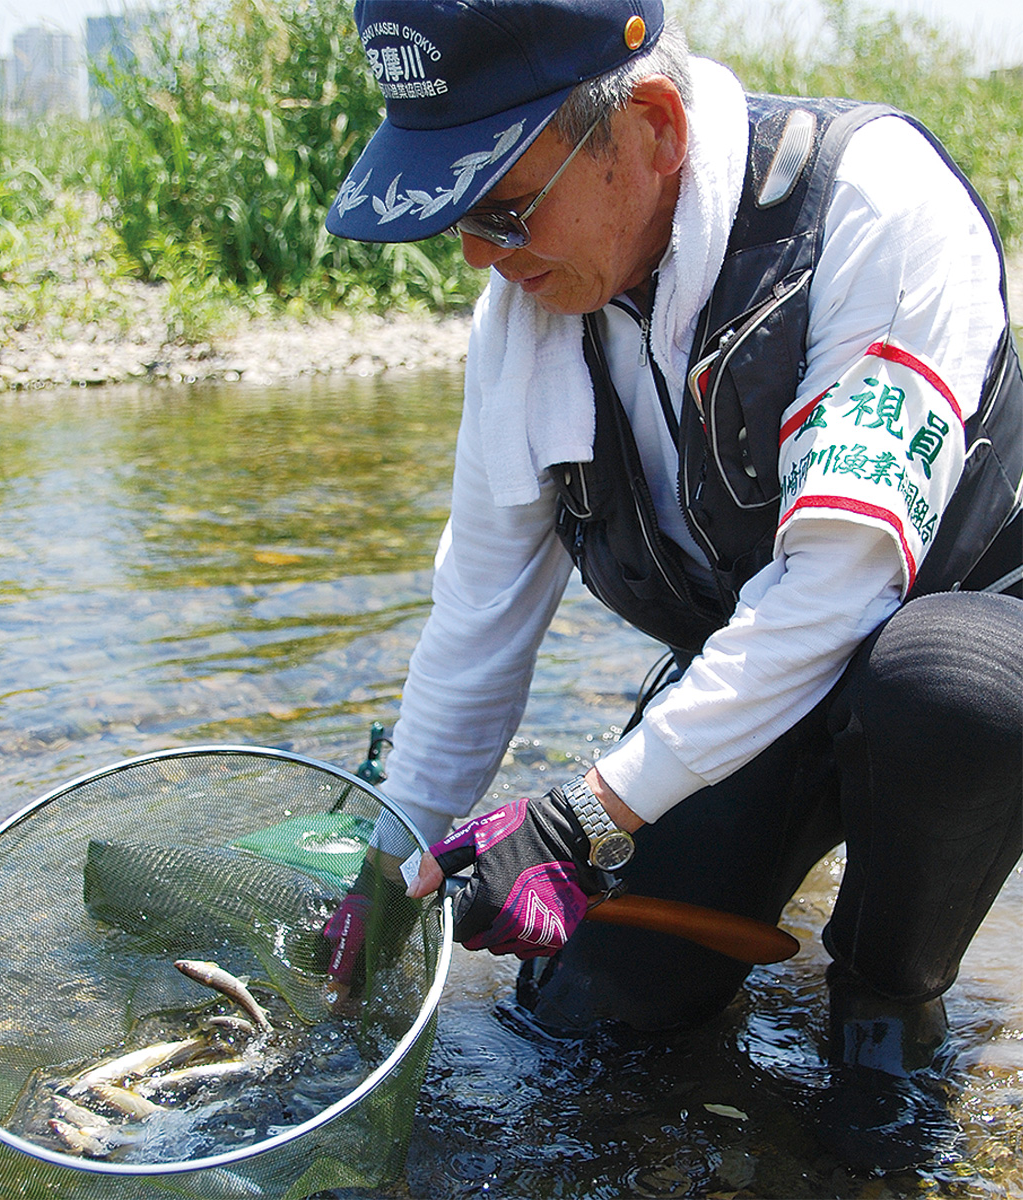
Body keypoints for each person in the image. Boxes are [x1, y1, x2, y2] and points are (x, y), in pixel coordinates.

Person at [323, 0, 1022, 1159]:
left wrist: (577, 813)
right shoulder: (528, 316)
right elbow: (479, 621)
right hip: (755, 676)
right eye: (456, 218)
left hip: (961, 644)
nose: (478, 258)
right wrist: (397, 858)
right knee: (595, 1013)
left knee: (946, 689)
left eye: (500, 207)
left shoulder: (870, 204)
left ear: (646, 125)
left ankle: (889, 1006)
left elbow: (837, 588)